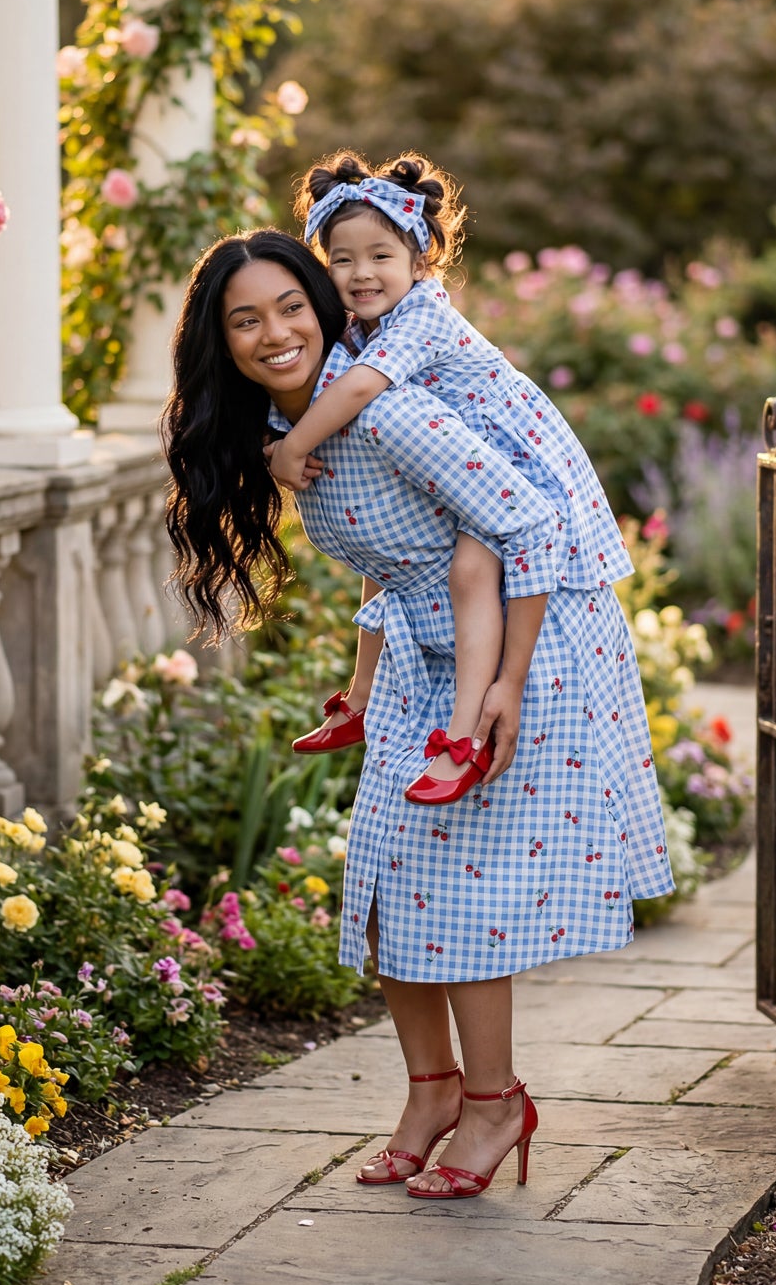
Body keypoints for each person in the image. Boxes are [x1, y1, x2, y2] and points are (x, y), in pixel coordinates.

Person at [163, 228, 673, 1200]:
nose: (274, 332)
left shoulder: (382, 415)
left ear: (322, 310)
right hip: (416, 655)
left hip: (526, 639)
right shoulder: (288, 436)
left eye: (290, 309)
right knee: (389, 882)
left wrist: (503, 688)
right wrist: (361, 688)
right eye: (245, 319)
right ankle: (432, 1093)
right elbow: (394, 560)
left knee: (464, 893)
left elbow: (527, 522)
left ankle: (494, 1104)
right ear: (218, 342)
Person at [270, 152, 631, 810]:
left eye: (381, 255)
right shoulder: (358, 324)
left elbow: (353, 390)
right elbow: (324, 381)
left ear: (420, 261)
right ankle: (361, 696)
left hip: (513, 461)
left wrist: (292, 447)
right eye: (342, 259)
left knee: (470, 573)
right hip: (456, 459)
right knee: (382, 556)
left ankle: (462, 736)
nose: (361, 273)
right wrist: (274, 434)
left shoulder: (424, 313)